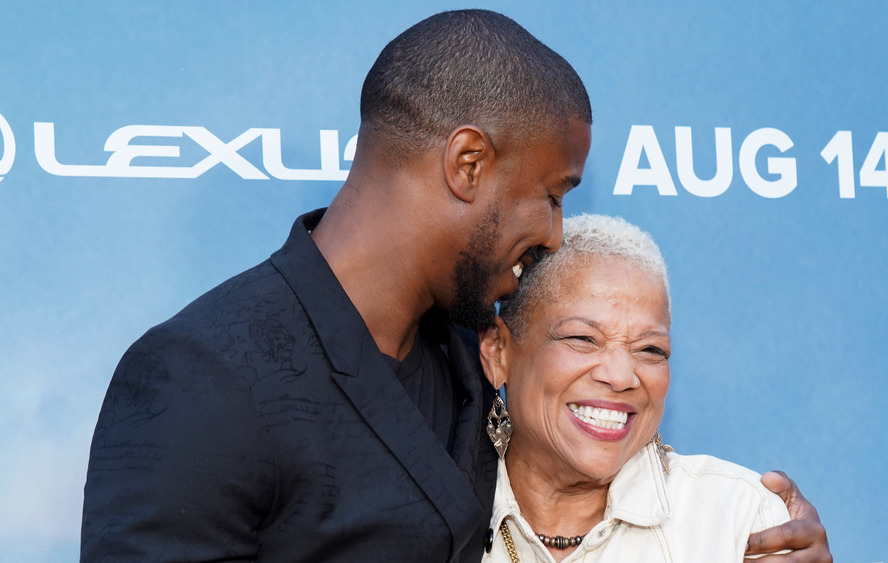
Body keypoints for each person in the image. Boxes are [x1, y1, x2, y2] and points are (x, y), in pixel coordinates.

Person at [81, 9, 829, 563]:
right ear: (467, 164)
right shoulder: (202, 377)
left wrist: (766, 534)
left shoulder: (475, 356)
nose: (555, 235)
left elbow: (593, 486)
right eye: (553, 192)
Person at [477, 214, 823, 562]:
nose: (621, 376)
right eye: (583, 338)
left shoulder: (740, 521)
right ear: (497, 351)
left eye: (650, 350)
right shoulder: (436, 513)